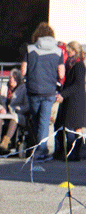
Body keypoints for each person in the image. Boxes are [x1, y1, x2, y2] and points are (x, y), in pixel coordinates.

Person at [21, 22, 65, 162]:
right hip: (49, 91)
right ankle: (42, 151)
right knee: (44, 122)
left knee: (36, 120)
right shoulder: (58, 52)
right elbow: (62, 73)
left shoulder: (30, 49)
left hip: (33, 90)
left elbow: (23, 70)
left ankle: (40, 149)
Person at [53, 41, 85, 161]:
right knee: (65, 126)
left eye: (69, 51)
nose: (67, 53)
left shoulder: (79, 65)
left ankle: (74, 153)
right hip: (69, 98)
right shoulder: (70, 63)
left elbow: (77, 84)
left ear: (75, 51)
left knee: (73, 127)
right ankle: (68, 152)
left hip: (76, 100)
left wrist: (63, 94)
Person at [0, 68, 29, 154]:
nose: (11, 80)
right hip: (3, 113)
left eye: (14, 79)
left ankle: (5, 142)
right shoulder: (4, 88)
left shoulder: (23, 89)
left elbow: (27, 105)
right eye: (10, 78)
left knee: (14, 118)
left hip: (17, 113)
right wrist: (0, 108)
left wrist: (15, 109)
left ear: (18, 80)